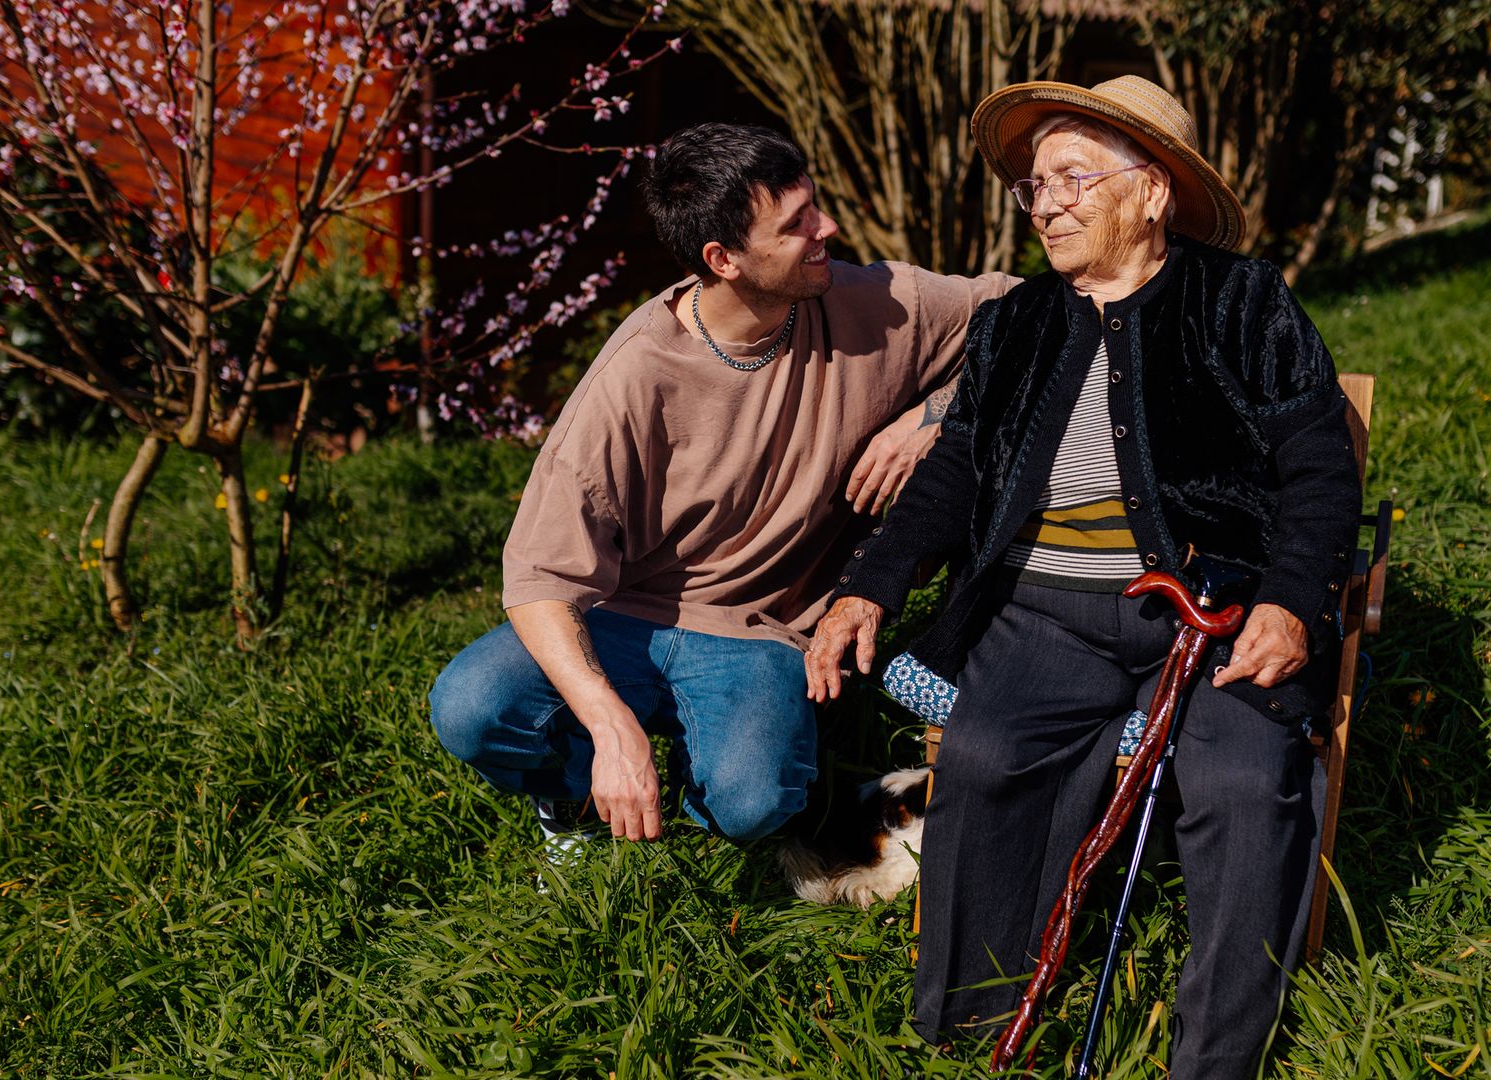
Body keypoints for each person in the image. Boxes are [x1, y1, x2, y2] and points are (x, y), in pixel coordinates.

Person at [805, 77, 1363, 1076]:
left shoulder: (1241, 303)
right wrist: (869, 585)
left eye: (1070, 178)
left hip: (1214, 608)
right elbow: (956, 470)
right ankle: (971, 1030)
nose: (1046, 202)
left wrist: (1287, 604)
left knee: (1245, 778)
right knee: (984, 758)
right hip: (1040, 612)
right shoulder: (1016, 323)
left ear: (1151, 192)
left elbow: (1318, 465)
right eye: (1034, 186)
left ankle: (1217, 1059)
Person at [428, 123, 1015, 848]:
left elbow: (1029, 315)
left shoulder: (876, 303)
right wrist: (611, 729)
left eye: (814, 206)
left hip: (763, 633)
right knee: (471, 706)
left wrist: (930, 418)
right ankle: (578, 797)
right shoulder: (634, 378)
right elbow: (539, 579)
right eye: (796, 223)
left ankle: (687, 804)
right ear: (724, 258)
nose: (826, 227)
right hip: (627, 617)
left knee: (754, 803)